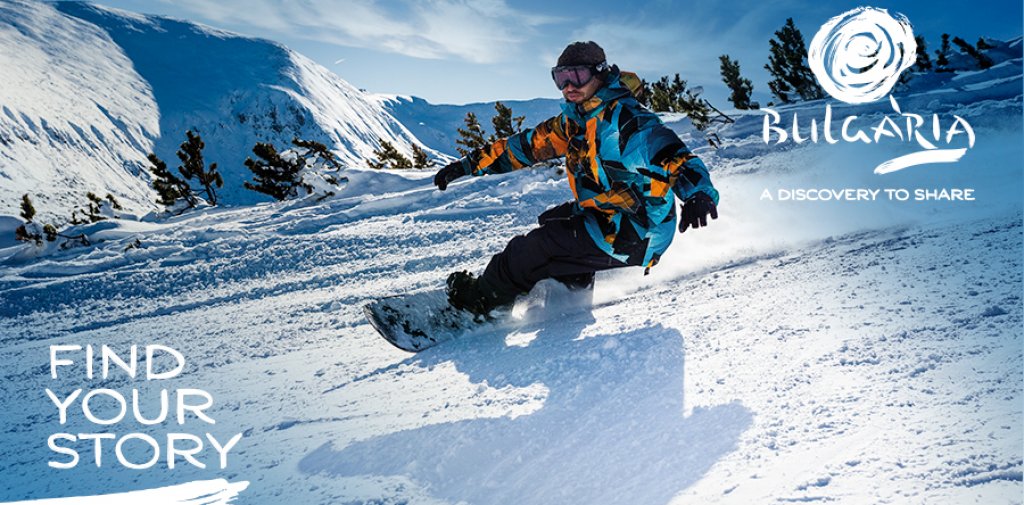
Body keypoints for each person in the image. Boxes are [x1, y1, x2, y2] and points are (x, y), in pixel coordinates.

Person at [433, 41, 719, 316]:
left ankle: (483, 306)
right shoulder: (576, 120)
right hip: (607, 213)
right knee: (553, 221)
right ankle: (573, 290)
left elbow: (676, 156)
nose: (569, 86)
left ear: (600, 73)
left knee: (531, 248)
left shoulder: (628, 122)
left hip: (637, 229)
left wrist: (697, 194)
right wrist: (467, 166)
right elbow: (526, 146)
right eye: (561, 78)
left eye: (577, 75)